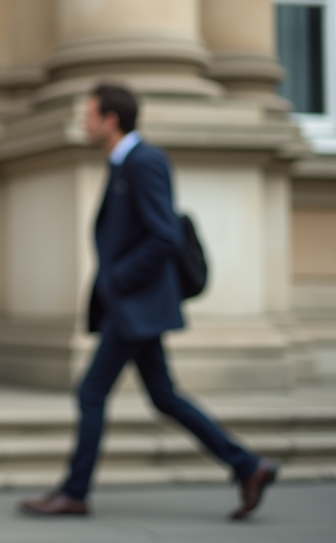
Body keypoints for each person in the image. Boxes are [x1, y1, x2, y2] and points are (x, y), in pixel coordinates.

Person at [20, 83, 278, 521]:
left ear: (111, 120)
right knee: (164, 396)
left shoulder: (145, 162)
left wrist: (118, 279)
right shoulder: (124, 164)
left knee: (92, 391)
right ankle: (248, 466)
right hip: (133, 308)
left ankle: (75, 492)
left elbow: (165, 235)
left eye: (90, 115)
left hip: (135, 306)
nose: (84, 123)